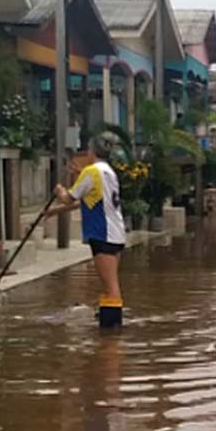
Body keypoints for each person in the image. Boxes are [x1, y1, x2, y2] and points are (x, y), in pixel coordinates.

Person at [49, 134, 127, 327]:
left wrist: (59, 190)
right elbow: (86, 201)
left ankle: (110, 332)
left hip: (103, 233)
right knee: (110, 284)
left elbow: (69, 197)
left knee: (111, 287)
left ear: (91, 152)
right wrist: (54, 211)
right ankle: (107, 324)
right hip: (115, 234)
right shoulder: (108, 172)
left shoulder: (91, 172)